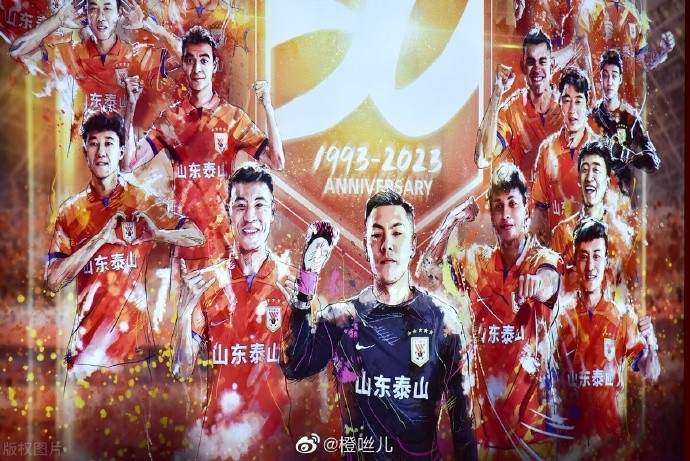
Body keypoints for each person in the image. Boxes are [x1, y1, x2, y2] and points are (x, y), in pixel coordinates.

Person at [45, 110, 203, 458]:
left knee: (134, 451)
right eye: (94, 144)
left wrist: (158, 233)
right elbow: (54, 280)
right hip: (85, 359)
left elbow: (196, 235)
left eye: (109, 143)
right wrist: (99, 239)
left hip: (133, 359)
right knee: (78, 452)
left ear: (121, 151)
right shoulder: (70, 213)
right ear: (85, 151)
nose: (101, 151)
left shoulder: (140, 199)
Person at [281, 190, 477, 460]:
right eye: (376, 235)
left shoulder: (442, 321)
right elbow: (295, 365)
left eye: (397, 233)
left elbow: (463, 424)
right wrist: (305, 288)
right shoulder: (343, 319)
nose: (387, 245)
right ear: (365, 245)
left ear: (413, 244)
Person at [418, 162, 562, 459]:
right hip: (483, 437)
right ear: (491, 215)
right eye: (498, 206)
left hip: (534, 437)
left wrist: (537, 284)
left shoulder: (542, 260)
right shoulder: (475, 264)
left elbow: (550, 282)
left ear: (527, 208)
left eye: (513, 204)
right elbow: (428, 270)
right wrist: (451, 220)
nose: (506, 214)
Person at [172, 163, 308, 460]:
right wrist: (184, 312)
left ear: (273, 212)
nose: (250, 217)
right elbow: (181, 369)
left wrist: (302, 315)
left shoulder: (293, 286)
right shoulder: (206, 283)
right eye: (240, 205)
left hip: (275, 446)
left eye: (259, 205)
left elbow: (303, 370)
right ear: (228, 212)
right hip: (217, 445)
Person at [124, 25, 284, 272]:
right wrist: (131, 106)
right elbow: (128, 163)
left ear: (214, 66)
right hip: (184, 249)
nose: (197, 69)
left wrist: (268, 107)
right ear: (183, 65)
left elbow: (277, 161)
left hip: (225, 250)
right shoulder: (171, 119)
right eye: (190, 60)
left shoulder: (232, 118)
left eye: (204, 60)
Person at [553, 218, 659, 457]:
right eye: (583, 256)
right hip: (568, 447)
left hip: (610, 446)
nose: (590, 266)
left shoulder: (621, 318)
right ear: (574, 262)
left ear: (606, 262)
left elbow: (651, 372)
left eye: (597, 256)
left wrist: (651, 344)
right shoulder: (559, 319)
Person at [9, 0, 180, 117]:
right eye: (93, 8)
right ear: (86, 13)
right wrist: (57, 19)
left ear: (119, 13)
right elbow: (17, 51)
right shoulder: (69, 54)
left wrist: (150, 25)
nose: (100, 17)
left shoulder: (139, 56)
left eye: (107, 8)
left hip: (121, 155)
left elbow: (187, 58)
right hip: (79, 154)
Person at [475, 28, 563, 179]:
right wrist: (497, 92)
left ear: (552, 65)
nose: (537, 69)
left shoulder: (568, 107)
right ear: (523, 66)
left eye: (542, 61)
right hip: (523, 193)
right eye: (531, 62)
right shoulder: (512, 112)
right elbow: (483, 157)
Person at [551, 140, 635, 294]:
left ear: (607, 182)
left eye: (596, 170)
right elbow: (555, 287)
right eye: (585, 169)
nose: (589, 177)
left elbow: (628, 290)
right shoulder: (563, 233)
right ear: (579, 180)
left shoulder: (621, 237)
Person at [531, 65, 601, 242]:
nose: (572, 110)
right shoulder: (547, 150)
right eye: (566, 100)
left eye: (578, 101)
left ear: (588, 104)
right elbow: (539, 209)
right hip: (556, 251)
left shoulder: (600, 151)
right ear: (560, 103)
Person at [591, 49, 660, 207]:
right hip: (596, 195)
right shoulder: (592, 116)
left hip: (622, 199)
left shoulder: (630, 118)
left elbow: (653, 161)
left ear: (620, 79)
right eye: (605, 75)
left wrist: (626, 155)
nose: (609, 82)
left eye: (614, 76)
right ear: (600, 78)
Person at [580, 0, 675, 106]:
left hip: (624, 104)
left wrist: (662, 50)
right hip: (592, 101)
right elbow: (576, 53)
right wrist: (597, 36)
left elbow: (642, 64)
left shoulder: (633, 15)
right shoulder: (589, 8)